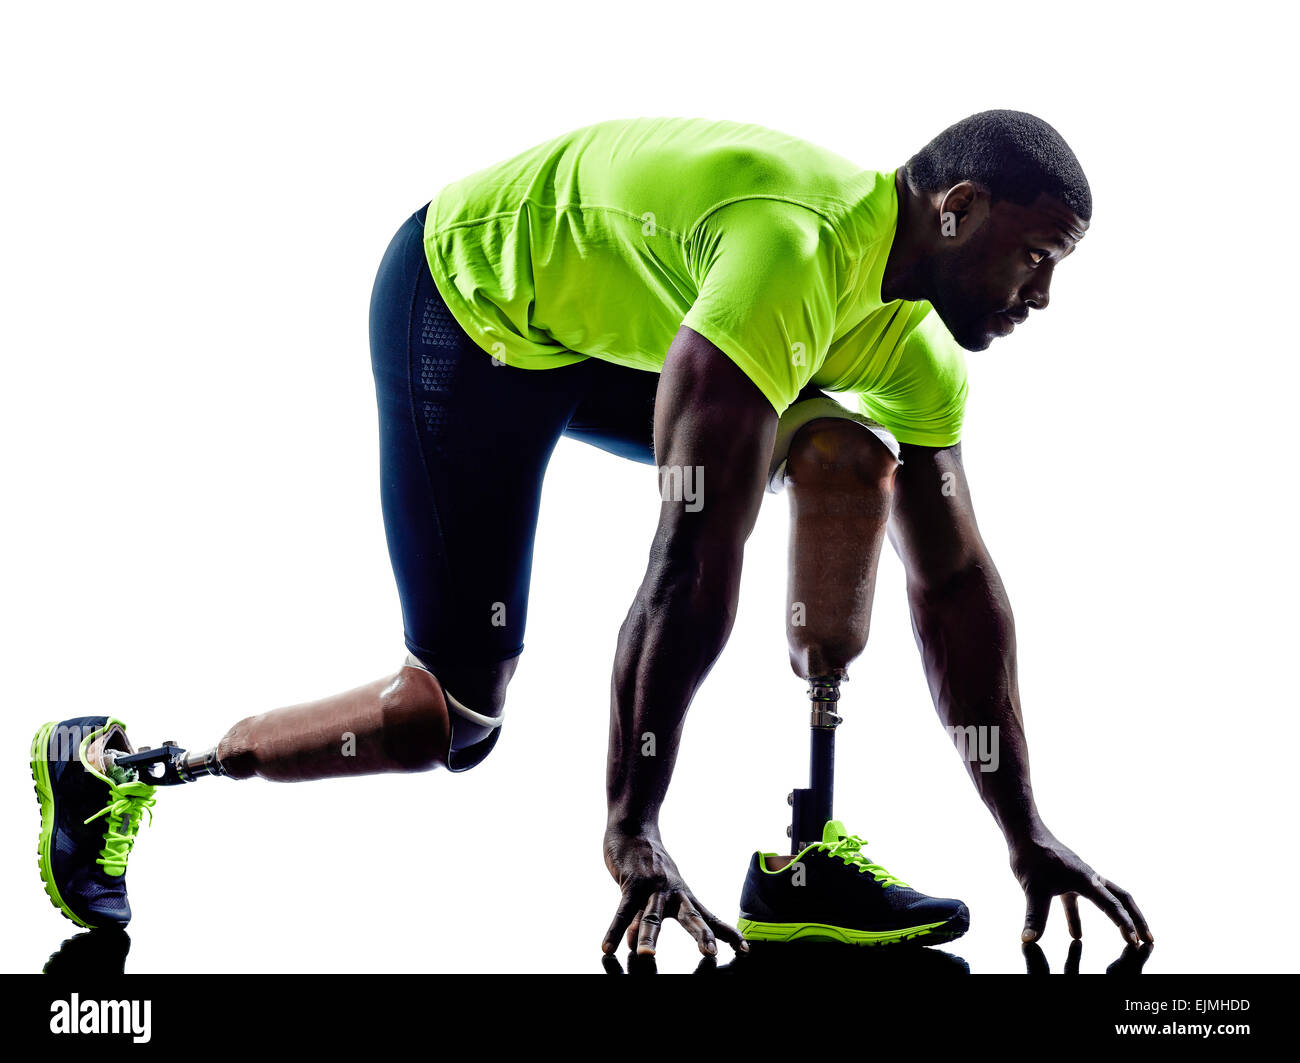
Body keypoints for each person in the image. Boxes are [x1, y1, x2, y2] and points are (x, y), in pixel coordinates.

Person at [31, 111, 1151, 959]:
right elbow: (685, 562)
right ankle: (118, 766)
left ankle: (805, 855)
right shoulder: (790, 259)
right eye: (1036, 256)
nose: (1040, 297)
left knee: (846, 460)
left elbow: (956, 589)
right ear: (955, 211)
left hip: (630, 315)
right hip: (473, 307)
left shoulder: (915, 351)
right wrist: (632, 828)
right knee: (448, 720)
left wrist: (1024, 829)